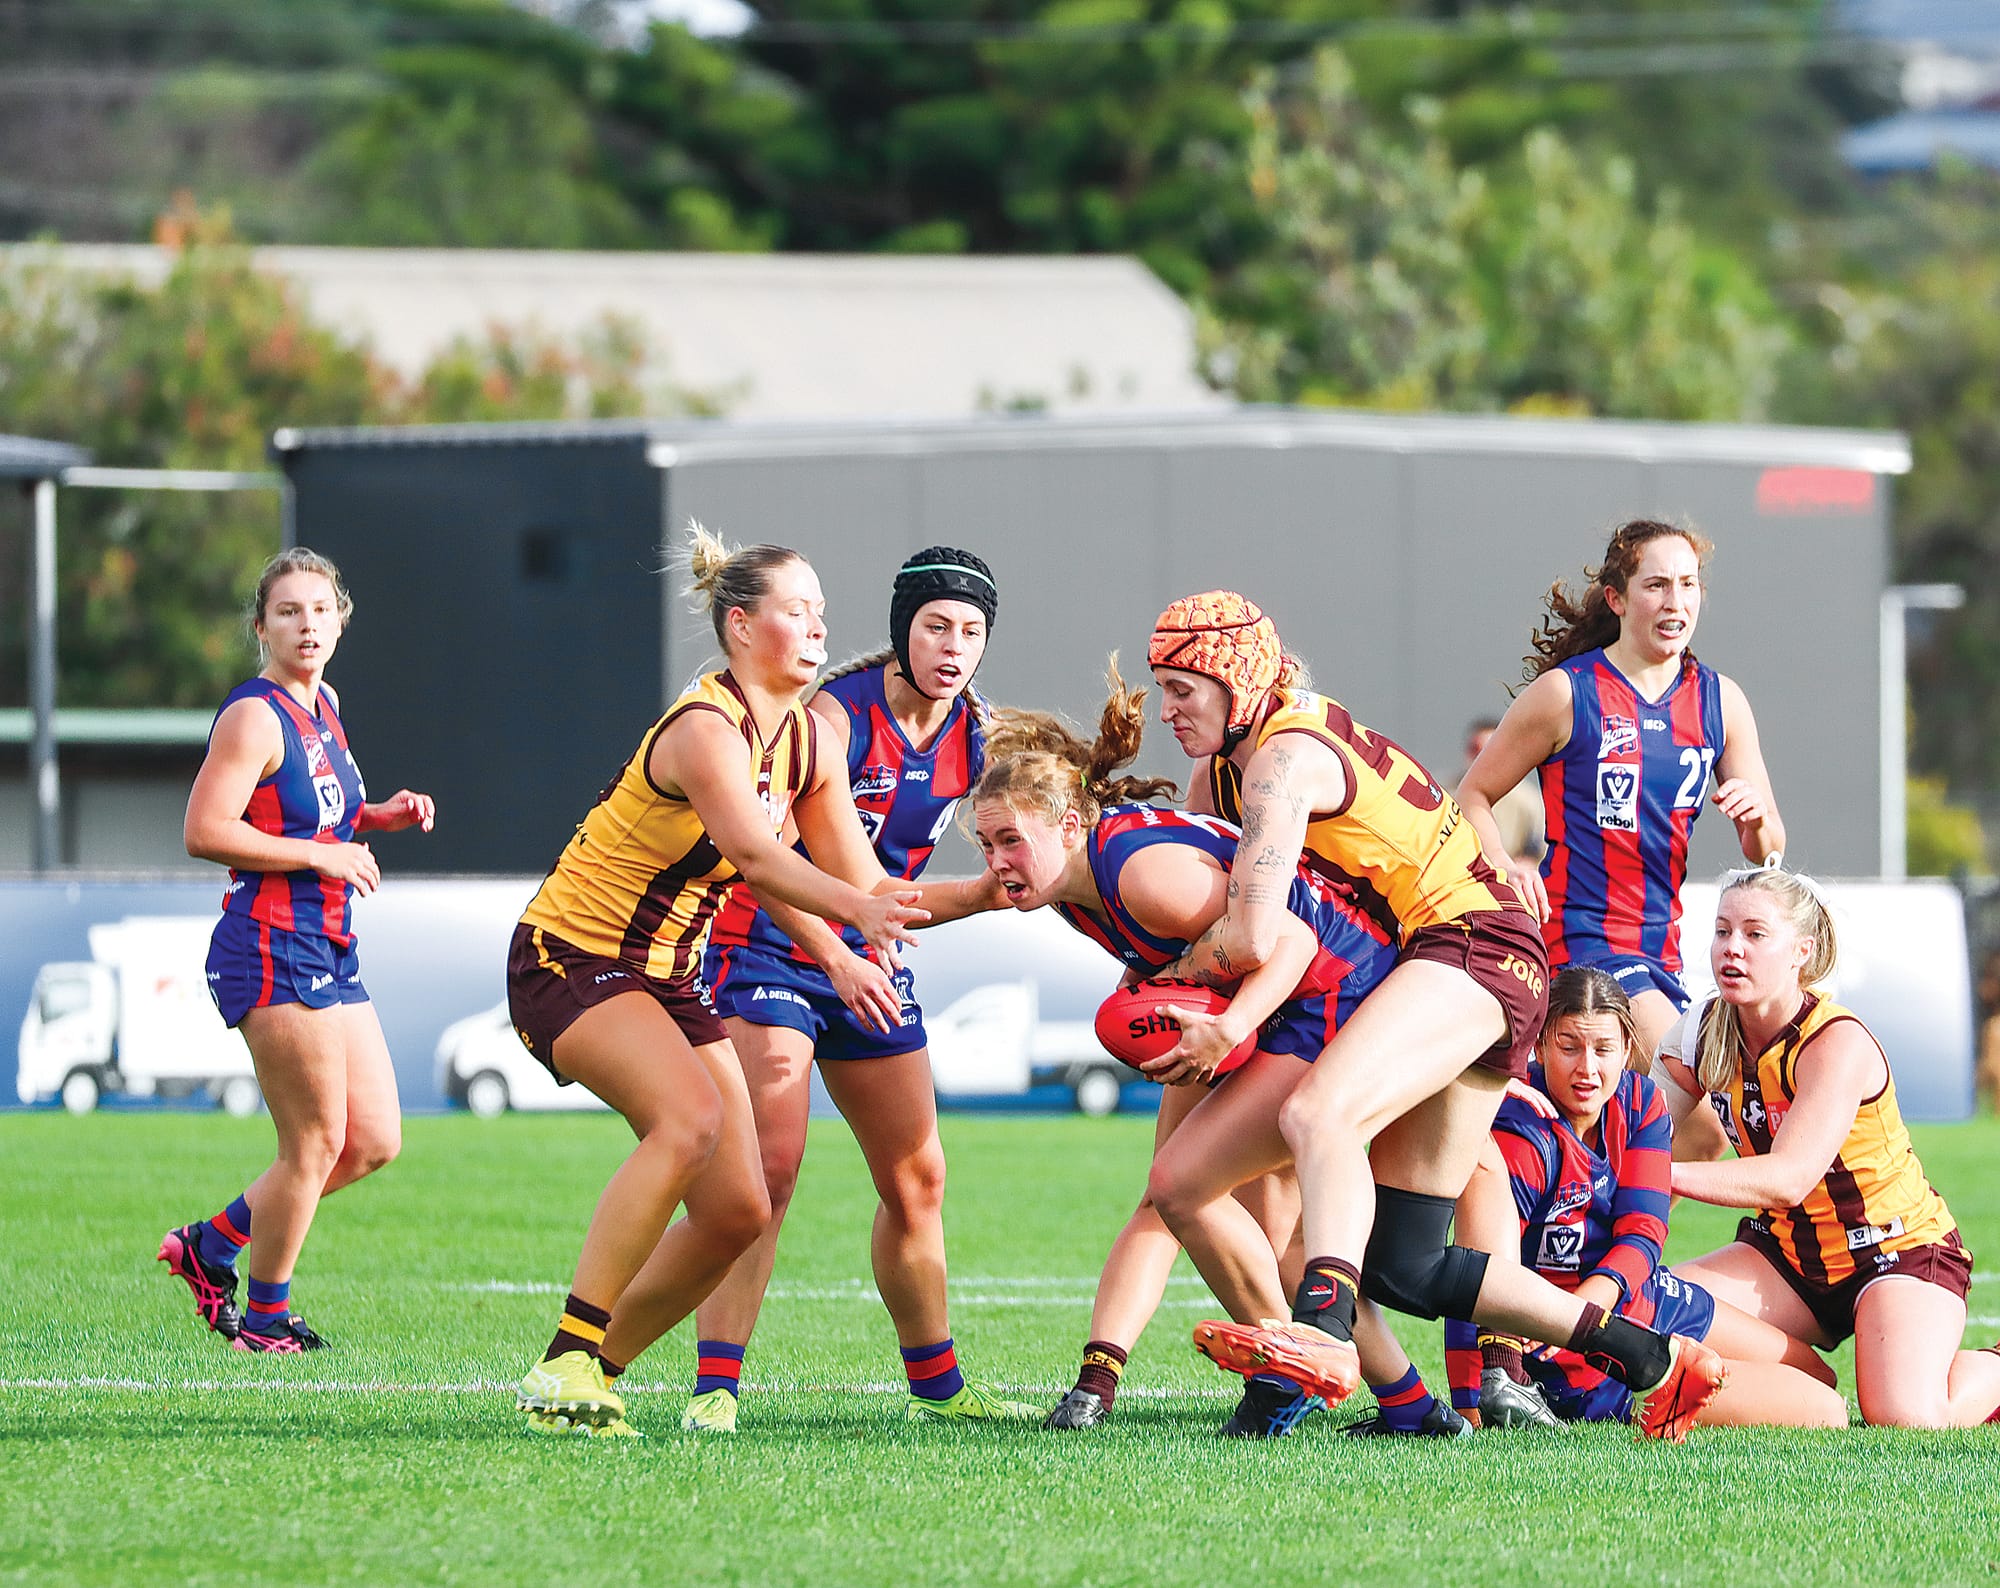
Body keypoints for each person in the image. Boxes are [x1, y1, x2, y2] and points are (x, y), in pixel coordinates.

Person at [1146, 590, 1725, 1441]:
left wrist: (1168, 974)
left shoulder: (1278, 760)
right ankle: (1649, 1361)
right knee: (1375, 1252)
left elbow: (1252, 928)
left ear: (1238, 682)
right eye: (1161, 688)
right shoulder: (1232, 765)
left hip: (1473, 944)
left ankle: (1319, 1339)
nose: (1168, 710)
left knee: (1318, 1116)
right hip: (1445, 960)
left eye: (1183, 688)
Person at [508, 525, 961, 1437]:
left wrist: (1006, 888)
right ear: (742, 625)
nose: (820, 626)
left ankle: (585, 1375)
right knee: (688, 1122)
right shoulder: (704, 729)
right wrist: (851, 923)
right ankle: (566, 1360)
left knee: (739, 1208)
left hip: (668, 979)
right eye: (799, 611)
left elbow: (870, 884)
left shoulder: (805, 740)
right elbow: (757, 856)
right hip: (572, 957)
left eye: (822, 611)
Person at [971, 667, 1456, 1440]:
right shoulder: (1075, 890)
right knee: (1181, 1193)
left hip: (1328, 983)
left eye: (1009, 840)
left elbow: (1288, 941)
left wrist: (1226, 1029)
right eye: (986, 843)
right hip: (1271, 997)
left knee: (1212, 1199)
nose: (996, 861)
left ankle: (1307, 1369)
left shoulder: (1141, 873)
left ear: (1069, 828)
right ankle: (1377, 1397)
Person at [690, 547, 1035, 1432]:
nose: (954, 646)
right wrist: (839, 954)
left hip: (866, 958)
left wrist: (1036, 878)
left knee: (918, 1177)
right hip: (766, 946)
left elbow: (957, 877)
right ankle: (716, 1388)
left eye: (972, 631)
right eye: (936, 626)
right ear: (900, 632)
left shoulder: (977, 736)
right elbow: (766, 867)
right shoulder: (831, 721)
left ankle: (939, 1386)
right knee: (771, 1163)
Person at [159, 548, 435, 1353]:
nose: (306, 624)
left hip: (327, 941)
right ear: (261, 626)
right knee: (313, 1142)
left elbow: (315, 813)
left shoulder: (325, 704)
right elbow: (205, 830)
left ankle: (211, 1246)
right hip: (270, 942)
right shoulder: (255, 713)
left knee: (373, 1139)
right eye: (288, 612)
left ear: (341, 619)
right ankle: (265, 1320)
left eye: (320, 610)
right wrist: (324, 855)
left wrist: (375, 817)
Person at [1656, 866, 2000, 1427]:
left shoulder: (1835, 1039)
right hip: (1791, 1258)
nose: (1732, 949)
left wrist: (1658, 1174)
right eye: (1722, 932)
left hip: (1895, 1252)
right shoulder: (1700, 1031)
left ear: (1801, 951)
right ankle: (1809, 1386)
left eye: (1755, 934)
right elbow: (1639, 1135)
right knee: (1651, 1303)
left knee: (1906, 1419)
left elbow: (1788, 1179)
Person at [1447, 966, 1846, 1430]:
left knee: (1817, 1373)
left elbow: (1643, 1232)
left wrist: (1586, 1305)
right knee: (1826, 1410)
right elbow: (1478, 1276)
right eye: (1569, 1046)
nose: (1587, 1069)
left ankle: (1685, 1365)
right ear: (1539, 1046)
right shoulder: (1521, 1131)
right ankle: (1664, 1386)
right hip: (1583, 1354)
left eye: (1603, 1049)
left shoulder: (1640, 1101)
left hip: (1645, 1299)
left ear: (1628, 1050)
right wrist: (1470, 1404)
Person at [1457, 519, 1783, 1066]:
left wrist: (1754, 823)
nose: (1674, 600)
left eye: (1688, 583)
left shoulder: (1720, 702)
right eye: (1656, 585)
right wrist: (1505, 865)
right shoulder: (1569, 692)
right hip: (1580, 938)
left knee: (1643, 1126)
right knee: (1696, 1111)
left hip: (1664, 948)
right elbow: (1471, 796)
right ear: (1617, 599)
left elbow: (1769, 846)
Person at [1461, 718, 1543, 869]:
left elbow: (1539, 852)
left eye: (1487, 751)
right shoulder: (1447, 793)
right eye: (1476, 750)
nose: (1481, 759)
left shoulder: (1527, 800)